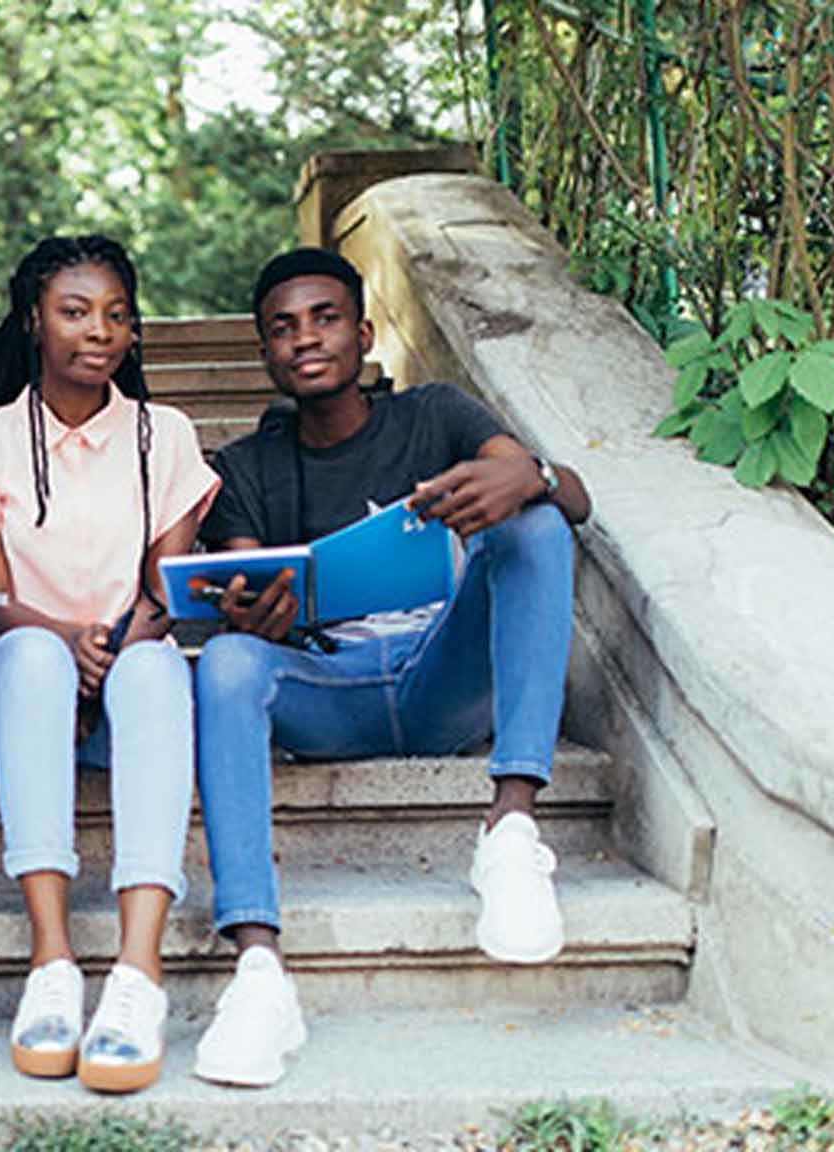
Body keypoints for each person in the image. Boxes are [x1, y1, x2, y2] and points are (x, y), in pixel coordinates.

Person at [187, 247, 592, 1088]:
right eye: (282, 328)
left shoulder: (434, 415)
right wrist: (257, 612)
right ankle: (259, 968)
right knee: (226, 661)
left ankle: (511, 831)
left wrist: (531, 478)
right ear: (264, 353)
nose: (305, 339)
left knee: (538, 525)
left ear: (364, 334)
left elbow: (572, 495)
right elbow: (242, 575)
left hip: (441, 674)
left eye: (325, 318)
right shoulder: (241, 468)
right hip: (325, 691)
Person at [0, 236, 216, 1094]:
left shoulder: (161, 433)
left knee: (160, 667)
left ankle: (139, 972)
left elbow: (165, 590)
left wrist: (115, 645)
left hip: (123, 670)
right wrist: (64, 640)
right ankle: (53, 961)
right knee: (28, 653)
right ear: (34, 321)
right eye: (74, 311)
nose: (97, 331)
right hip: (23, 680)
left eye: (115, 314)